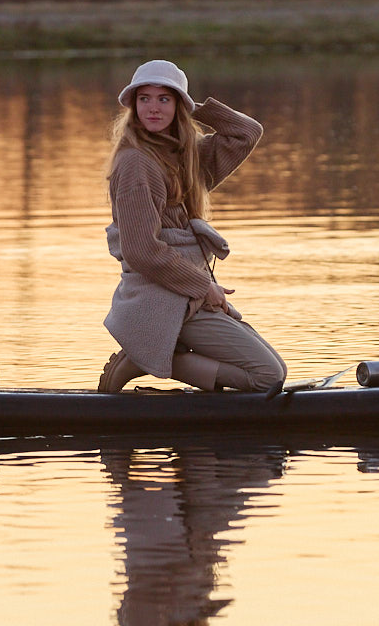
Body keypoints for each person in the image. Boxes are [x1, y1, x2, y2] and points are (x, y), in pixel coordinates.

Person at [98, 59, 287, 393]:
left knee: (277, 369)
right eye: (144, 99)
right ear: (133, 105)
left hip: (186, 297)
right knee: (268, 377)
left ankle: (162, 356)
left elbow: (247, 133)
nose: (153, 108)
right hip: (162, 301)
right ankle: (143, 358)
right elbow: (141, 251)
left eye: (164, 99)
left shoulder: (186, 157)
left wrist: (189, 105)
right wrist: (203, 286)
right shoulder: (135, 164)